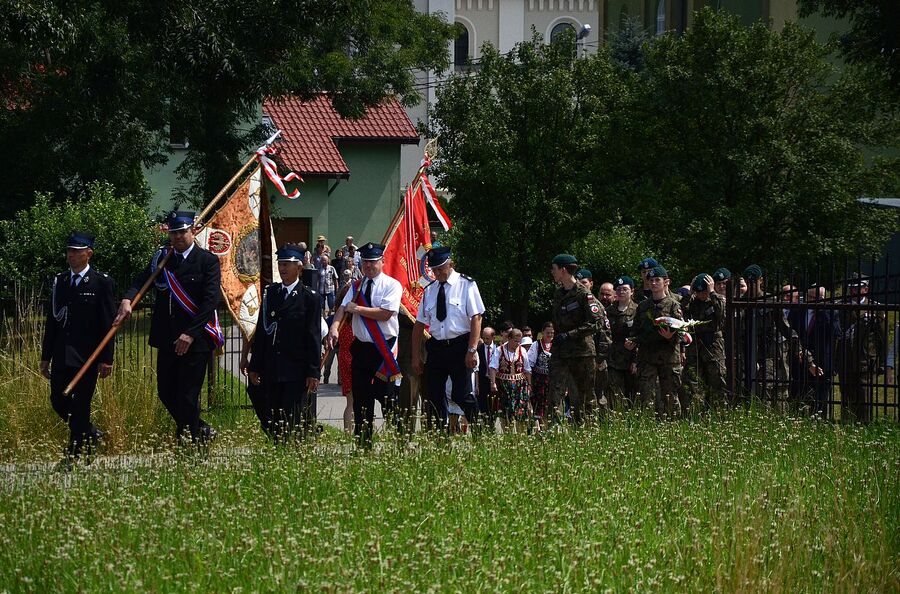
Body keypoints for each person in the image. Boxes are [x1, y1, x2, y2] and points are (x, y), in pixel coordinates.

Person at [114, 211, 221, 445]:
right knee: (165, 392)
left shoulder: (207, 261)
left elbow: (210, 302)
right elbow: (141, 281)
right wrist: (127, 299)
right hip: (167, 338)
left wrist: (190, 334)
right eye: (174, 233)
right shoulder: (162, 260)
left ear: (193, 231)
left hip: (195, 340)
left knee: (188, 395)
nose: (178, 237)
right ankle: (200, 429)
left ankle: (192, 441)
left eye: (183, 231)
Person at [40, 232, 116, 466]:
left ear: (88, 254)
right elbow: (52, 322)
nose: (70, 255)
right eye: (69, 251)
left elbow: (108, 324)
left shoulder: (101, 282)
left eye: (76, 251)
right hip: (62, 353)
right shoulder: (60, 281)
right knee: (57, 400)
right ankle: (90, 433)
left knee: (82, 404)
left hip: (87, 356)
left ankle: (74, 453)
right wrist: (45, 356)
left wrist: (106, 359)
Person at [327, 242, 402, 447]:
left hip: (383, 349)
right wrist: (334, 327)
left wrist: (358, 309)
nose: (369, 265)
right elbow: (343, 308)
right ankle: (363, 444)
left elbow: (386, 314)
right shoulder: (356, 286)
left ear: (382, 262)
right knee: (361, 400)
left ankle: (399, 442)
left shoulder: (392, 285)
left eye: (373, 261)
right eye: (366, 262)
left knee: (387, 399)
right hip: (360, 348)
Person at [247, 245, 321, 440]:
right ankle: (279, 444)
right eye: (280, 264)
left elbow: (313, 336)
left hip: (295, 369)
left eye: (287, 264)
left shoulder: (309, 298)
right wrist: (255, 365)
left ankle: (290, 448)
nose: (282, 269)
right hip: (272, 366)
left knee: (291, 417)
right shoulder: (271, 293)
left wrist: (313, 371)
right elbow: (262, 332)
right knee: (270, 413)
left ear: (299, 268)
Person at [412, 246, 484, 434]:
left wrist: (472, 350)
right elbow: (419, 324)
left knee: (461, 394)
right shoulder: (429, 291)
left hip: (460, 346)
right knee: (434, 394)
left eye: (440, 268)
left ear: (450, 264)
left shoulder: (466, 285)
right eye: (433, 269)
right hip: (436, 347)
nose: (436, 273)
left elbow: (476, 318)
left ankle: (479, 431)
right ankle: (440, 437)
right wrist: (415, 357)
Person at [548, 254, 601, 426]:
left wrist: (570, 335)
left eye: (554, 269)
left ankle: (587, 428)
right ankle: (554, 428)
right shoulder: (558, 293)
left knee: (583, 395)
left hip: (581, 352)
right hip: (561, 352)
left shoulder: (583, 294)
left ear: (563, 270)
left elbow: (596, 322)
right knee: (555, 391)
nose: (552, 272)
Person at [626, 265, 683, 419]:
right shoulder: (643, 306)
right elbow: (636, 330)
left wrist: (671, 337)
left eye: (657, 280)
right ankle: (649, 425)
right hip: (647, 357)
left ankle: (673, 425)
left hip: (668, 357)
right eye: (651, 280)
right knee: (647, 395)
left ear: (666, 282)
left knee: (670, 395)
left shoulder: (673, 305)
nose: (653, 283)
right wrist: (632, 342)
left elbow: (682, 332)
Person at [837, 274, 885, 422]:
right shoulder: (841, 306)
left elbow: (881, 338)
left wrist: (882, 362)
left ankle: (865, 424)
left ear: (866, 289)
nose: (855, 291)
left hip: (866, 359)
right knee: (846, 395)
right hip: (845, 357)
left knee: (865, 395)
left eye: (859, 288)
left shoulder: (875, 307)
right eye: (853, 288)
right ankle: (847, 424)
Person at [791, 284, 841, 418]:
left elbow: (836, 333)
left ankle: (819, 424)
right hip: (801, 360)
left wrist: (824, 312)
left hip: (822, 363)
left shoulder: (831, 312)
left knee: (820, 402)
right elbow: (792, 332)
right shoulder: (798, 311)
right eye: (811, 297)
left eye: (818, 298)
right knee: (799, 398)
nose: (814, 301)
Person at [681, 273, 727, 412]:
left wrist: (712, 292)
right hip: (695, 346)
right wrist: (690, 293)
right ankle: (695, 413)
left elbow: (721, 313)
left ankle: (718, 413)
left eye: (704, 291)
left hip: (713, 346)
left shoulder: (716, 300)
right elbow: (680, 310)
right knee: (693, 380)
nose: (702, 295)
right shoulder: (692, 302)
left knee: (717, 380)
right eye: (699, 292)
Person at [489, 328, 532, 433]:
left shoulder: (522, 351)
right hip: (504, 386)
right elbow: (493, 367)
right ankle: (507, 433)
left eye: (519, 341)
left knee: (521, 410)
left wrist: (529, 384)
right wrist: (493, 383)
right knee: (505, 410)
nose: (517, 343)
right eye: (515, 341)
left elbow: (527, 369)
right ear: (509, 338)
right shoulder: (499, 350)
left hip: (520, 386)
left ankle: (520, 433)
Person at [606, 276, 638, 411]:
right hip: (613, 359)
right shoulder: (609, 311)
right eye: (618, 289)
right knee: (615, 397)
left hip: (632, 359)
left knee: (633, 396)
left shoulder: (638, 310)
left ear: (632, 291)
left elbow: (642, 335)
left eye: (625, 289)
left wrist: (636, 359)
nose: (621, 292)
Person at [526, 322, 554, 428]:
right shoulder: (536, 345)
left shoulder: (556, 345)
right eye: (548, 332)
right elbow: (530, 364)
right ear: (542, 332)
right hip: (539, 381)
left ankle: (550, 426)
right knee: (539, 404)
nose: (550, 335)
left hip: (553, 380)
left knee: (552, 403)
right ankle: (539, 428)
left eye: (552, 333)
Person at [476, 326, 498, 432]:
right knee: (483, 405)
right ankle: (485, 426)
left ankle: (492, 425)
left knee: (494, 405)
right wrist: (477, 385)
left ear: (493, 337)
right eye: (483, 338)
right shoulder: (479, 349)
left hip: (495, 381)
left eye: (487, 338)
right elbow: (476, 369)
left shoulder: (498, 349)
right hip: (483, 381)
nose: (485, 340)